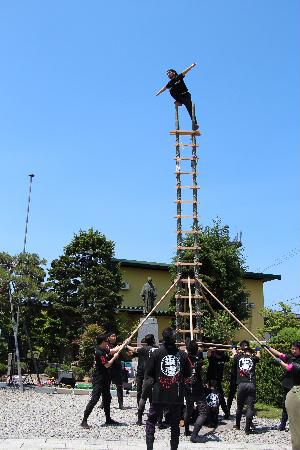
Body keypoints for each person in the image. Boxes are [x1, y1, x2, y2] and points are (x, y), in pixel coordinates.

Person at [145, 327, 191, 450]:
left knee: (151, 421)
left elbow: (148, 374)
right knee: (175, 424)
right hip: (176, 394)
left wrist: (152, 387)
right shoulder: (182, 355)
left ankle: (150, 447)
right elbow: (187, 374)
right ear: (175, 339)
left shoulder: (156, 353)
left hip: (159, 393)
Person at [81, 334, 121, 428]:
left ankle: (108, 419)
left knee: (107, 398)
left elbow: (112, 350)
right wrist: (114, 357)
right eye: (107, 341)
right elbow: (107, 365)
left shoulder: (103, 349)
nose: (108, 343)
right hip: (99, 379)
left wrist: (124, 344)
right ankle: (84, 421)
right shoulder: (99, 352)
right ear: (103, 342)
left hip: (105, 378)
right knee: (94, 399)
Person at [262, 341, 300, 432]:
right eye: (292, 349)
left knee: (295, 406)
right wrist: (268, 347)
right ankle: (282, 424)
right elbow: (281, 354)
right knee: (285, 405)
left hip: (296, 387)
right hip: (287, 385)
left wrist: (280, 362)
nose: (293, 350)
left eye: (295, 349)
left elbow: (289, 368)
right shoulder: (291, 357)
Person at [156, 63, 199, 130]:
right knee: (171, 90)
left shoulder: (179, 77)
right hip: (180, 97)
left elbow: (185, 71)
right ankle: (179, 102)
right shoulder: (170, 83)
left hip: (186, 95)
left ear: (173, 72)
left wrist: (191, 66)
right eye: (167, 74)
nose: (168, 74)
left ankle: (195, 124)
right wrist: (158, 93)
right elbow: (164, 88)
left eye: (169, 73)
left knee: (190, 110)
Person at [127, 333, 158, 425]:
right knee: (153, 396)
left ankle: (139, 418)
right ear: (153, 340)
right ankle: (154, 416)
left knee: (141, 395)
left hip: (142, 373)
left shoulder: (142, 349)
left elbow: (132, 350)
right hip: (154, 374)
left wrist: (126, 344)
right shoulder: (157, 349)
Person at [232, 340, 260, 434]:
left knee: (239, 407)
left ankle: (237, 425)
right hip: (251, 384)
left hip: (241, 384)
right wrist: (258, 350)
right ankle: (247, 429)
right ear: (251, 352)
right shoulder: (253, 358)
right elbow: (258, 356)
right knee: (250, 407)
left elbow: (233, 352)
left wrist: (234, 346)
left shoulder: (239, 357)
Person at [184, 340, 208, 443]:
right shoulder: (199, 361)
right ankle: (194, 435)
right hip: (197, 388)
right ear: (197, 350)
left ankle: (186, 431)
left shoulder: (183, 359)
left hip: (187, 387)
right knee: (203, 412)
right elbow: (202, 371)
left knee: (189, 409)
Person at [206, 347, 230, 418]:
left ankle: (225, 412)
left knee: (220, 396)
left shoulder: (223, 357)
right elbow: (208, 354)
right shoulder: (212, 357)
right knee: (212, 396)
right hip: (211, 379)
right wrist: (210, 349)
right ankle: (212, 413)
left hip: (218, 380)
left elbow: (228, 357)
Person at [107, 332, 125, 409]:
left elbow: (124, 355)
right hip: (108, 367)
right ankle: (104, 402)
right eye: (112, 336)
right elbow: (109, 352)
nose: (114, 338)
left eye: (115, 336)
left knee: (119, 386)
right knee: (106, 386)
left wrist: (124, 344)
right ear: (108, 337)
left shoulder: (119, 345)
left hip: (117, 367)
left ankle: (120, 404)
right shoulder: (106, 345)